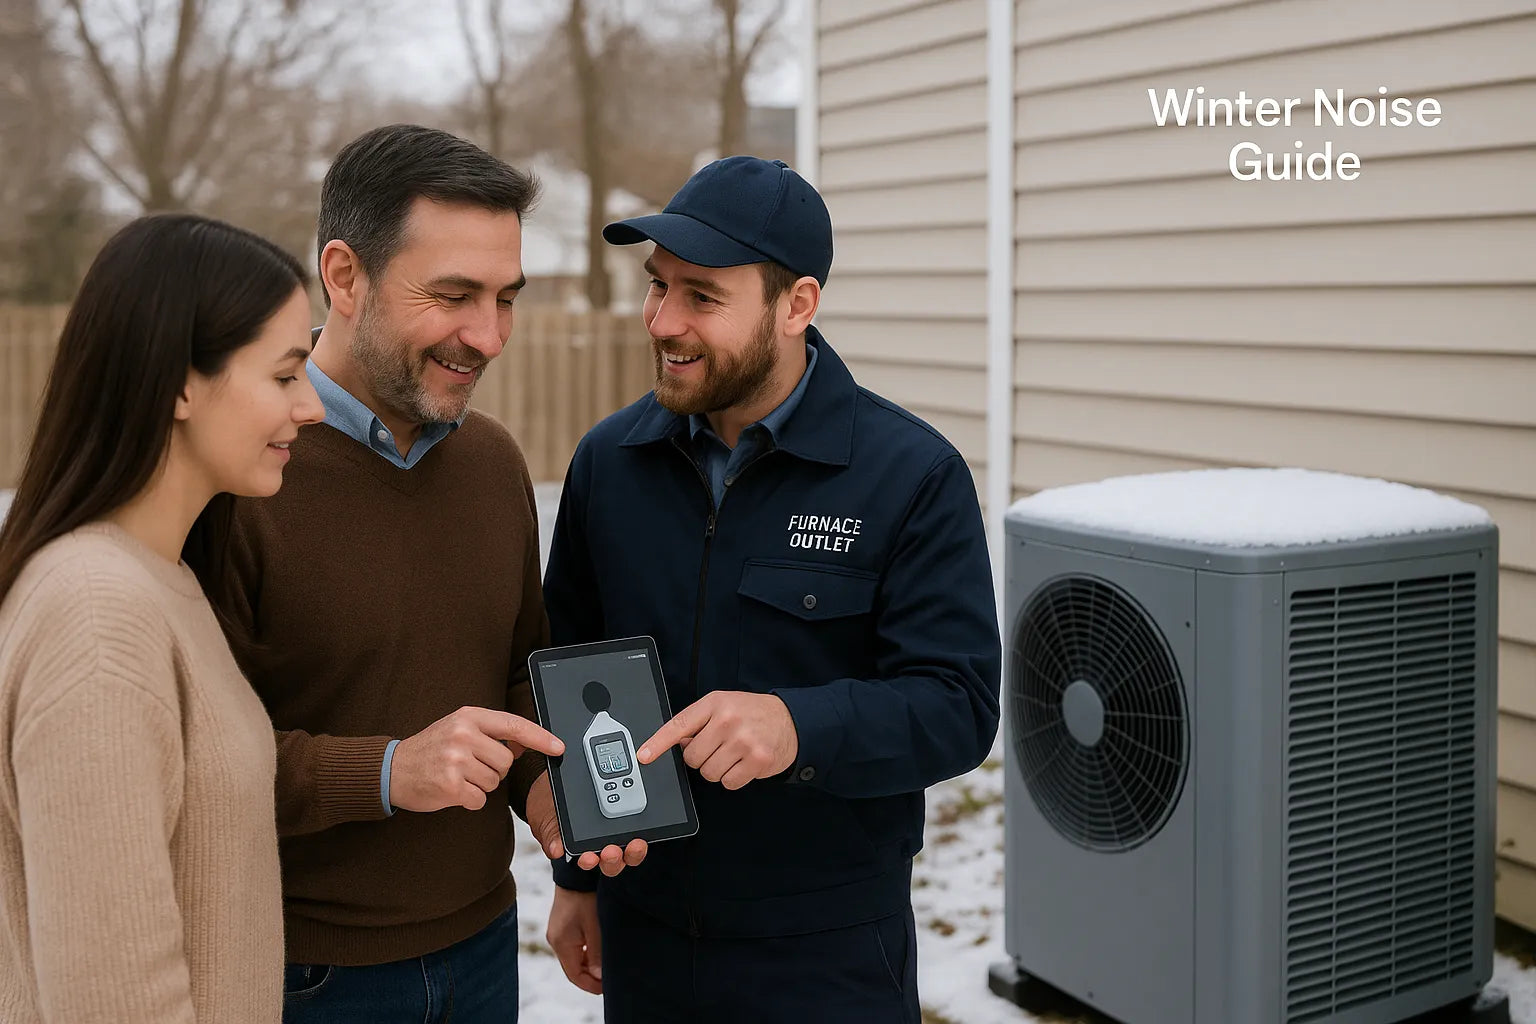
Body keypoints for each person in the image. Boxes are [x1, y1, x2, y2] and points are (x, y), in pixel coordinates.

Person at [541, 156, 1003, 1022]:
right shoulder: (609, 463)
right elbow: (573, 667)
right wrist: (577, 876)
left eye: (702, 298)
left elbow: (958, 706)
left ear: (797, 307)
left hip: (824, 953)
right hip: (644, 942)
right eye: (657, 286)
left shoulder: (910, 476)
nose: (663, 322)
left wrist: (800, 725)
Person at [198, 124, 636, 1024]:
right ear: (345, 275)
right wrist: (390, 770)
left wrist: (545, 791)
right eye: (453, 295)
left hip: (483, 952)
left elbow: (516, 669)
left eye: (506, 297)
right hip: (301, 972)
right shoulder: (237, 478)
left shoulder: (492, 462)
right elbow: (187, 765)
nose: (489, 335)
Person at [0, 213, 324, 1023]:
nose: (312, 406)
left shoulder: (164, 580)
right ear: (181, 382)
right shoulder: (97, 616)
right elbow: (114, 1002)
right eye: (284, 376)